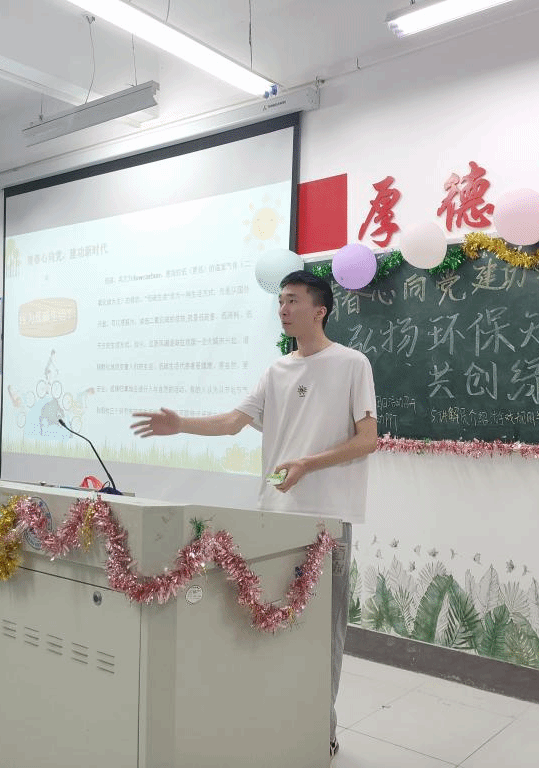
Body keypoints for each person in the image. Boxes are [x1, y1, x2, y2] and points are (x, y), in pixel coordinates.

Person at [130, 270, 378, 758]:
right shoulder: (276, 371)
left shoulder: (352, 364)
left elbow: (367, 439)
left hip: (327, 520)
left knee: (325, 633)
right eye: (280, 301)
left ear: (320, 310)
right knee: (274, 624)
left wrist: (308, 464)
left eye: (293, 300)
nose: (283, 309)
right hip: (274, 517)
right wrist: (180, 425)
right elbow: (231, 423)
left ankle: (321, 731)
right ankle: (282, 723)